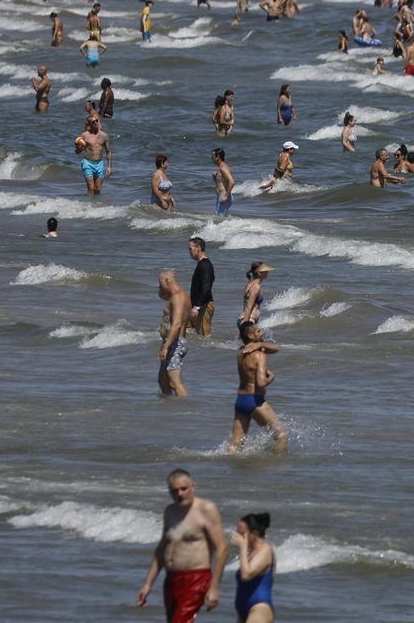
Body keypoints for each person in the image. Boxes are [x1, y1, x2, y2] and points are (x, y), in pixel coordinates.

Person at [136, 469, 229, 623]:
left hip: (196, 579)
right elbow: (162, 549)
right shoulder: (170, 511)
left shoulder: (206, 509)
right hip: (172, 579)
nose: (179, 494)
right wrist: (147, 585)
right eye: (174, 491)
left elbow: (222, 550)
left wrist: (214, 588)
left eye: (184, 489)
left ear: (193, 486)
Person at [232, 321, 287, 453]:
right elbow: (261, 383)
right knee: (282, 437)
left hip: (241, 400)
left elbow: (275, 348)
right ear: (251, 335)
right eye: (258, 331)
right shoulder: (260, 355)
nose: (261, 333)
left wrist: (260, 343)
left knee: (235, 445)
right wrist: (271, 377)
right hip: (255, 400)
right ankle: (277, 468)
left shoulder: (240, 353)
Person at [232, 513, 276, 623]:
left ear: (254, 533)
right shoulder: (250, 552)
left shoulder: (265, 550)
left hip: (259, 609)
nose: (237, 536)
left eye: (241, 533)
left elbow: (246, 575)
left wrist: (242, 548)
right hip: (243, 611)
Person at [157, 269, 191, 397]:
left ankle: (186, 409)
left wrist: (165, 348)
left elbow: (176, 324)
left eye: (160, 283)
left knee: (174, 381)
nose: (159, 287)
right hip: (171, 342)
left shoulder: (177, 297)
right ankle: (170, 410)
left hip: (175, 343)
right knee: (163, 380)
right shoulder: (177, 295)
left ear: (167, 281)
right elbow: (161, 295)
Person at [76, 118, 112, 195]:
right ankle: (88, 205)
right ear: (89, 124)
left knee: (98, 189)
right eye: (93, 122)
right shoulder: (84, 135)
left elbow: (108, 151)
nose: (95, 123)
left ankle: (95, 205)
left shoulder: (104, 135)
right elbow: (77, 151)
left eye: (97, 121)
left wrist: (109, 166)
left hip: (99, 164)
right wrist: (79, 149)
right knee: (91, 188)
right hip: (87, 163)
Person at [188, 238, 215, 337]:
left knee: (205, 338)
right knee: (196, 335)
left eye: (190, 249)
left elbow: (207, 288)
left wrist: (197, 307)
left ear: (198, 248)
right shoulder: (201, 264)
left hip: (204, 305)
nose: (189, 251)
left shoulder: (205, 265)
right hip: (200, 305)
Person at [238, 261, 272, 329]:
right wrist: (245, 326)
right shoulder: (255, 287)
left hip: (247, 320)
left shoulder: (250, 284)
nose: (268, 272)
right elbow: (248, 308)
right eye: (265, 271)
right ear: (259, 273)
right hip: (249, 321)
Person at [213, 148, 235, 216]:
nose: (212, 158)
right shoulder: (222, 167)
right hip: (222, 196)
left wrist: (225, 196)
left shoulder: (223, 168)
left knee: (217, 219)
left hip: (224, 196)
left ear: (218, 157)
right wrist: (215, 177)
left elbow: (232, 182)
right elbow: (222, 182)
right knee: (218, 218)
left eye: (213, 157)